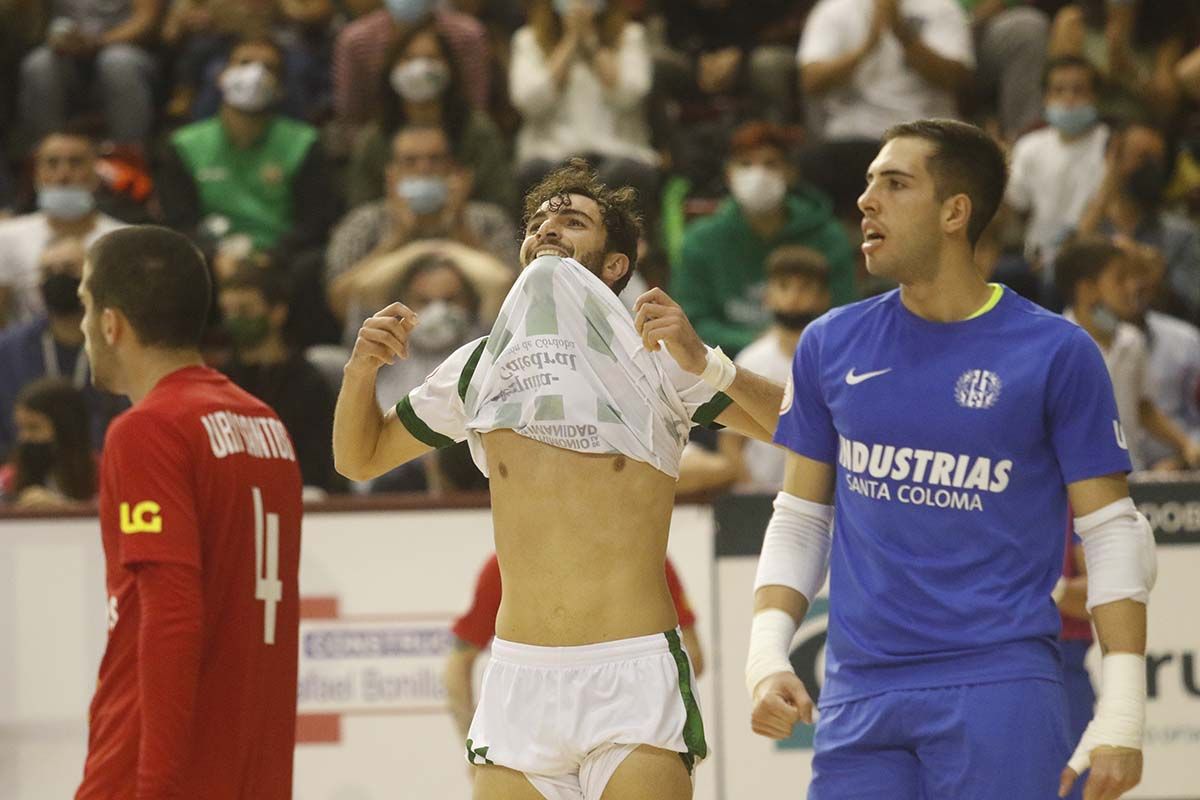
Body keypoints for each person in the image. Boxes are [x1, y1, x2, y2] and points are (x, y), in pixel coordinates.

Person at [333, 158, 785, 799]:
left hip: (631, 672)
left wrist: (710, 365)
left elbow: (803, 426)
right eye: (540, 220)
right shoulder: (477, 366)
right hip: (520, 674)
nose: (548, 228)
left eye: (572, 221)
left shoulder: (658, 358)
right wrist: (360, 371)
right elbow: (360, 458)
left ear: (614, 266)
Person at [746, 120, 1154, 800]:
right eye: (870, 181)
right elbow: (800, 519)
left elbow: (1112, 535)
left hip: (999, 688)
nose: (865, 200)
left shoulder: (1057, 352)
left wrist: (1124, 713)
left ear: (954, 212)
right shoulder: (829, 343)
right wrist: (766, 657)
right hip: (857, 693)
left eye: (894, 183)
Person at [74, 225, 303, 799]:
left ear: (111, 323)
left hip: (157, 766)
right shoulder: (265, 424)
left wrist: (154, 788)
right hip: (252, 766)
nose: (82, 326)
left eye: (84, 304)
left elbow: (172, 616)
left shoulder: (147, 430)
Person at [444, 553, 707, 741]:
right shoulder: (505, 564)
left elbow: (693, 656)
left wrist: (656, 716)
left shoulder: (646, 555)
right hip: (535, 729)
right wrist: (472, 737)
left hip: (624, 724)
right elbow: (456, 665)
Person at [674, 121, 855, 357]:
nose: (758, 174)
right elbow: (691, 320)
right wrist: (756, 342)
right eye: (745, 164)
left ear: (790, 173)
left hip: (814, 359)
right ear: (729, 174)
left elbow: (844, 314)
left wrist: (792, 343)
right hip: (720, 368)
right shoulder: (700, 240)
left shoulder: (828, 237)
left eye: (771, 164)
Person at [158, 36, 342, 267]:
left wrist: (271, 257)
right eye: (244, 63)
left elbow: (313, 222)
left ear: (281, 87)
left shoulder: (304, 143)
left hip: (280, 260)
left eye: (269, 67)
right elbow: (180, 221)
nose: (255, 73)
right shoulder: (185, 144)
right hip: (211, 260)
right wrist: (214, 255)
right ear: (222, 76)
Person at [796, 0, 974, 215]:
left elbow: (956, 80)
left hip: (927, 133)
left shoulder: (941, 8)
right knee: (808, 166)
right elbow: (811, 81)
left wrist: (902, 33)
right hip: (855, 137)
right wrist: (868, 45)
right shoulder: (835, 9)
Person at [326, 121, 518, 320]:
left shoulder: (489, 220)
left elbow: (518, 296)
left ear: (455, 170)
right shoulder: (364, 223)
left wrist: (460, 228)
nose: (424, 169)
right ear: (391, 175)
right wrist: (398, 238)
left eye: (436, 160)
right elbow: (341, 304)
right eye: (410, 161)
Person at [1056, 236, 1200, 472]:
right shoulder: (1056, 345)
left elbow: (1143, 407)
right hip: (1078, 481)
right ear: (1087, 290)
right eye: (1120, 280)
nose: (1132, 287)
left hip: (1131, 474)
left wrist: (1186, 445)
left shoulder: (1132, 341)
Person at [346, 20, 514, 210]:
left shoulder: (478, 132)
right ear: (392, 68)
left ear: (449, 68)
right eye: (409, 58)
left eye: (431, 58)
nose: (420, 68)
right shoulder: (374, 139)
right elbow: (359, 208)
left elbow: (500, 203)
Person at [509, 0, 659, 205]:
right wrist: (570, 42)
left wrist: (591, 43)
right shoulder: (527, 39)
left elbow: (628, 96)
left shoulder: (631, 35)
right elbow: (529, 102)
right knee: (537, 175)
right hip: (551, 154)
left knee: (622, 176)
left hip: (618, 151)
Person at [217, 265, 345, 494]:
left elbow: (322, 463)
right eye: (229, 311)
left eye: (245, 310)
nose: (235, 320)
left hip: (301, 494)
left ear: (277, 312)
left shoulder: (308, 382)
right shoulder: (220, 382)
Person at [0, 237, 124, 458]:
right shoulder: (9, 349)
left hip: (102, 469)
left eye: (69, 268)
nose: (58, 277)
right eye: (48, 271)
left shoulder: (120, 345)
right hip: (26, 473)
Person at [719, 245, 831, 488]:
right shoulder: (749, 360)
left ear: (823, 297)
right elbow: (730, 442)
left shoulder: (836, 360)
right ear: (767, 296)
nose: (793, 298)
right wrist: (749, 490)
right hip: (760, 496)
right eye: (783, 286)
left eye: (804, 288)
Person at [1076, 122, 1200, 323]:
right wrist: (1108, 183)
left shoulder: (1182, 234)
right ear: (1114, 160)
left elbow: (1193, 304)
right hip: (1093, 333)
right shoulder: (1091, 223)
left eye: (1157, 161)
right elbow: (1062, 275)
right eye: (1142, 157)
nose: (1151, 169)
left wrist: (1156, 280)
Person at [0, 130, 124, 327]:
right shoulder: (5, 237)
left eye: (75, 162)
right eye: (52, 163)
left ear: (96, 172)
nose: (63, 175)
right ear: (37, 174)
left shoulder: (123, 240)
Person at [1004, 55, 1109, 281]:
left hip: (1090, 260)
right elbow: (1016, 203)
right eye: (1058, 91)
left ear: (1095, 96)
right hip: (1033, 258)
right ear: (1046, 97)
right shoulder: (1029, 145)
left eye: (1078, 90)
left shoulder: (1110, 146)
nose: (1068, 99)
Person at [17, 0, 161, 146]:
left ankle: (128, 157)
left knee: (118, 62)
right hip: (68, 54)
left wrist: (97, 42)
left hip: (126, 48)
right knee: (39, 64)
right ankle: (48, 154)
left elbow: (146, 21)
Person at [333, 0, 490, 128]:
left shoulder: (468, 36)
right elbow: (351, 113)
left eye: (432, 57)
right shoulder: (354, 41)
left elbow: (476, 104)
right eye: (408, 58)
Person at [1119, 241, 1200, 470]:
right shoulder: (1078, 342)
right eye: (1122, 277)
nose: (1134, 286)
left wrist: (1184, 454)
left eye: (1141, 274)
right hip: (1112, 473)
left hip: (1182, 471)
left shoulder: (1186, 340)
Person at [0, 377, 95, 509]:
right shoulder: (10, 477)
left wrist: (62, 507)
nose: (24, 437)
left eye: (34, 428)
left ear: (65, 429)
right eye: (21, 428)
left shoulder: (100, 472)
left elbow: (112, 515)